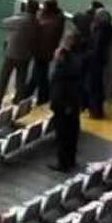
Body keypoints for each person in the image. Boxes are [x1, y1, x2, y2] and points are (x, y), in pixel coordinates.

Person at [47, 39, 85, 171]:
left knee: (63, 135)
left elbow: (58, 91)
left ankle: (63, 163)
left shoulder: (61, 73)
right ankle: (71, 160)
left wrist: (56, 105)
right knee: (72, 134)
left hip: (63, 107)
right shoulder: (75, 68)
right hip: (73, 105)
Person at [0, 0, 37, 109]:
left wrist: (18, 15)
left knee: (3, 79)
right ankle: (18, 104)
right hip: (25, 56)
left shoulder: (20, 20)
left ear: (27, 8)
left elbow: (4, 22)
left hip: (12, 54)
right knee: (21, 81)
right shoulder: (37, 23)